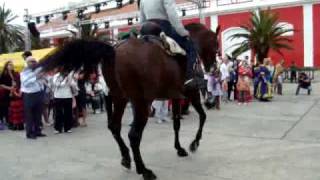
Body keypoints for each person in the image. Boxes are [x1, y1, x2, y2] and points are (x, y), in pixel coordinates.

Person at [138, 0, 197, 84]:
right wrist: (183, 32)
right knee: (190, 45)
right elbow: (172, 14)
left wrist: (142, 34)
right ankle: (189, 75)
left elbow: (142, 20)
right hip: (163, 27)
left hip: (147, 28)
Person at [20, 57, 46, 139]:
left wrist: (42, 79)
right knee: (29, 115)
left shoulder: (37, 70)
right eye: (32, 61)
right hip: (29, 95)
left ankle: (38, 131)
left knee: (38, 114)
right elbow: (26, 83)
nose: (34, 63)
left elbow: (42, 80)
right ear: (27, 63)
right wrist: (36, 78)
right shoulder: (24, 73)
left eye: (35, 61)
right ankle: (29, 133)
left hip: (38, 93)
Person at [0, 61, 22, 130]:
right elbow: (1, 84)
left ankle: (14, 122)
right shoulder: (3, 74)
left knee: (13, 108)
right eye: (9, 65)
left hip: (15, 92)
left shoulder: (15, 73)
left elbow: (18, 82)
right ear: (6, 66)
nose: (11, 66)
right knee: (7, 108)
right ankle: (9, 122)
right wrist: (10, 88)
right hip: (6, 93)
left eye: (12, 65)